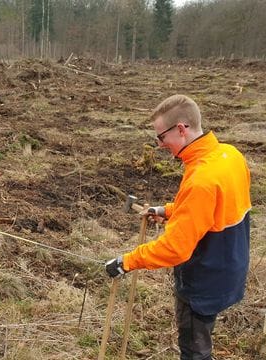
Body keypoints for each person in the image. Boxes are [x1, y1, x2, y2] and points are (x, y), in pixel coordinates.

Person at [105, 95, 251, 359]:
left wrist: (127, 261)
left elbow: (176, 249)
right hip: (230, 268)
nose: (160, 145)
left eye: (161, 138)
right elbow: (214, 208)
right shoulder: (229, 155)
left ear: (181, 129)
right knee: (203, 342)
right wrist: (168, 211)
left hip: (203, 282)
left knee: (195, 351)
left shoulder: (201, 179)